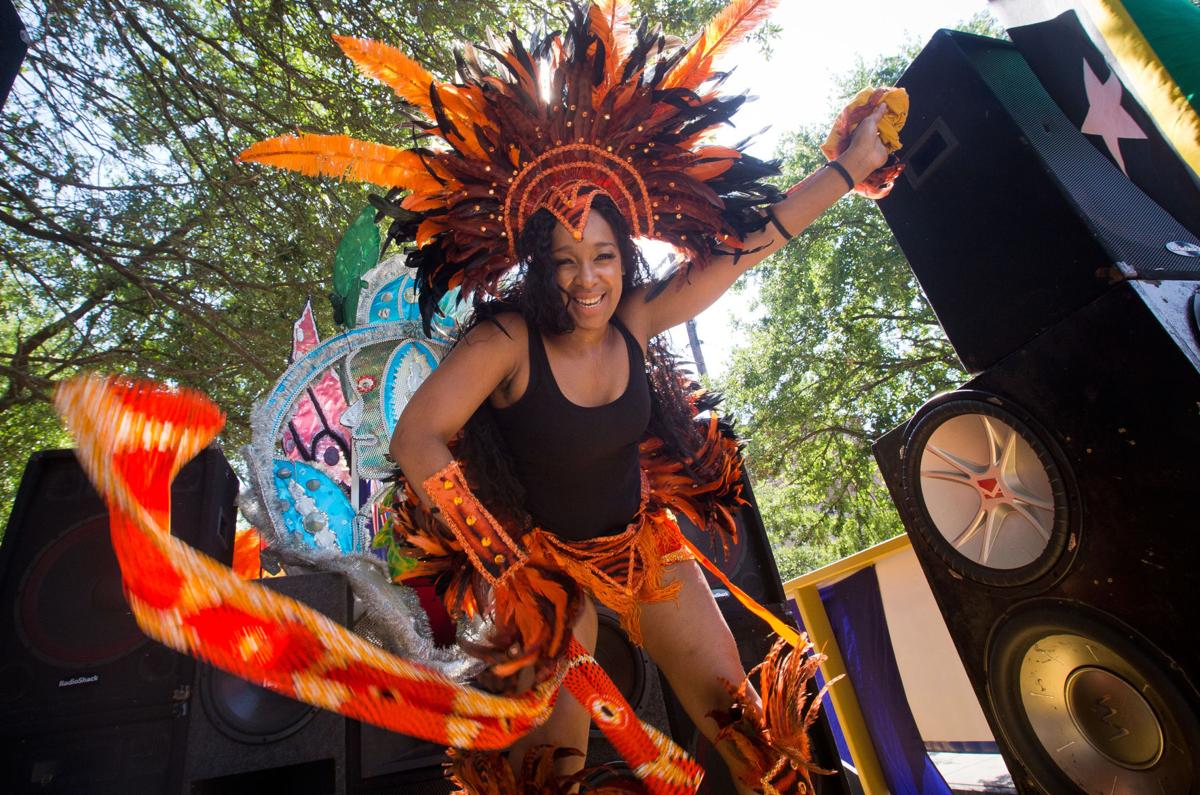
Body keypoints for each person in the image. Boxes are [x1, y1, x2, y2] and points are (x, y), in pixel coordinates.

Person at [239, 3, 905, 791]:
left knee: (749, 732)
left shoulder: (637, 314)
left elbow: (745, 247)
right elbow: (419, 436)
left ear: (623, 254)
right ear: (537, 264)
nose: (586, 279)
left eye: (601, 256)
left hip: (643, 549)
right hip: (546, 573)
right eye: (564, 261)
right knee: (548, 775)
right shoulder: (508, 340)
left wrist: (848, 168)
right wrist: (510, 570)